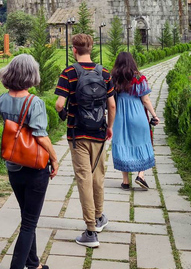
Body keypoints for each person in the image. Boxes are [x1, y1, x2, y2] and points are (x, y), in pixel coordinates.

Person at [0, 54, 59, 269]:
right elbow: (40, 136)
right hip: (34, 168)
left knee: (26, 217)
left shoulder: (2, 99)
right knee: (29, 223)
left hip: (13, 166)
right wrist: (54, 156)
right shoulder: (35, 102)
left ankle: (34, 265)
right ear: (32, 74)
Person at [55, 33, 115, 248]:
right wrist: (109, 128)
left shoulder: (69, 72)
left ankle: (90, 231)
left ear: (74, 50)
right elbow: (112, 105)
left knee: (84, 179)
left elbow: (60, 104)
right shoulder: (104, 72)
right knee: (98, 176)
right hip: (99, 131)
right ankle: (99, 218)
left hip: (77, 133)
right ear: (91, 48)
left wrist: (63, 116)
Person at [110, 52, 159, 190]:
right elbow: (145, 99)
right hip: (137, 114)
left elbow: (110, 99)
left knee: (122, 144)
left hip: (120, 115)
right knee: (142, 142)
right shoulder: (139, 77)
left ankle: (125, 181)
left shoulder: (113, 78)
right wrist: (154, 115)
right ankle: (141, 175)